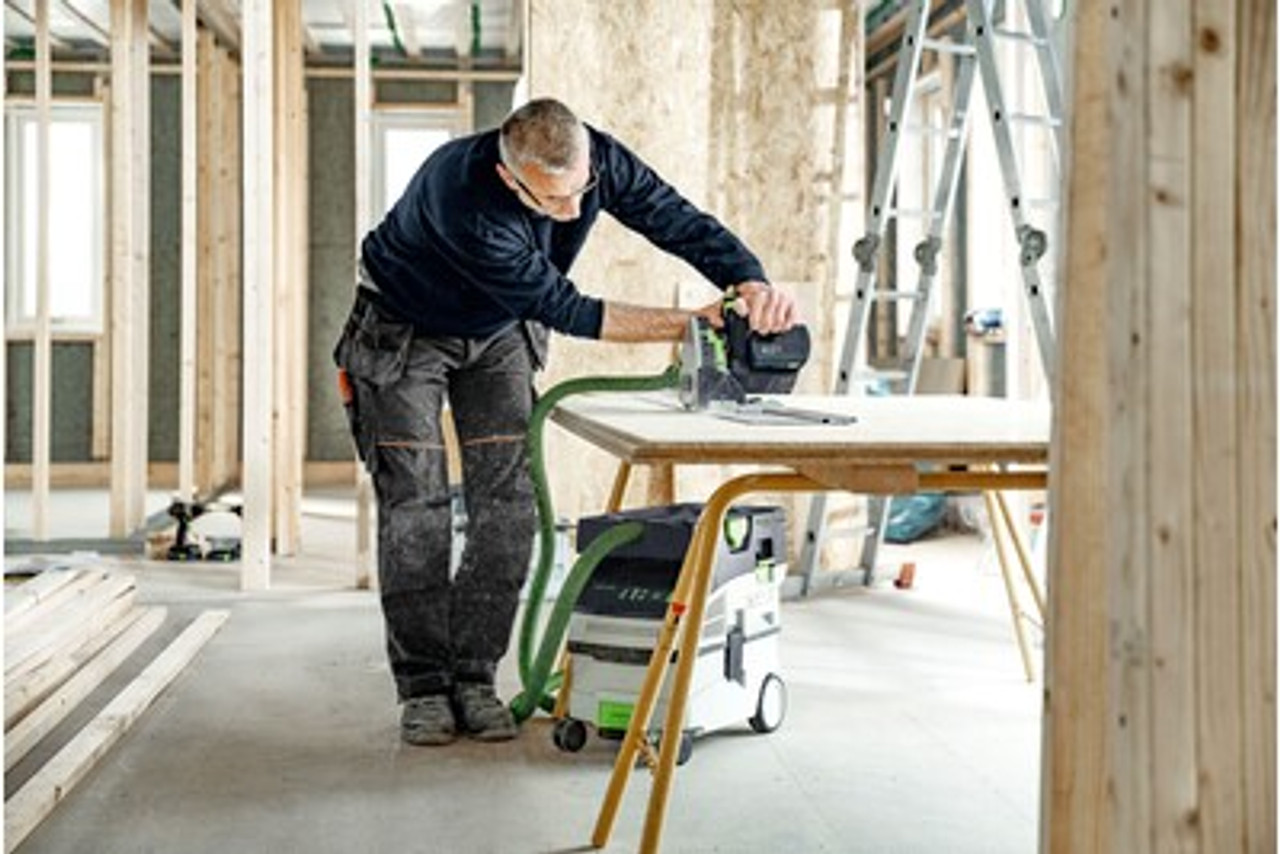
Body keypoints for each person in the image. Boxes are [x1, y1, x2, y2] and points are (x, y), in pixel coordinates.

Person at [333, 97, 799, 746]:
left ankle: (473, 678)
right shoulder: (461, 197)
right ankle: (423, 689)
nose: (573, 213)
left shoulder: (595, 162)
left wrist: (746, 280)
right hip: (405, 327)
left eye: (582, 193)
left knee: (509, 504)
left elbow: (672, 218)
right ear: (509, 176)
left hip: (495, 329)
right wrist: (695, 322)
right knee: (418, 507)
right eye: (552, 202)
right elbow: (568, 308)